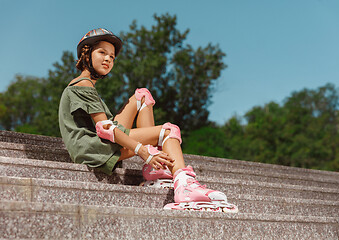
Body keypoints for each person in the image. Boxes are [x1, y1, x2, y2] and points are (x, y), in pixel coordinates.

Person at [58, 28, 237, 213]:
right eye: (102, 52)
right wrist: (144, 151)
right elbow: (105, 129)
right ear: (86, 54)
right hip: (93, 149)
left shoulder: (83, 86)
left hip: (94, 145)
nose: (108, 59)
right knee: (169, 131)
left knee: (142, 95)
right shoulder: (83, 85)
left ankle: (155, 171)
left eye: (112, 57)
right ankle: (186, 189)